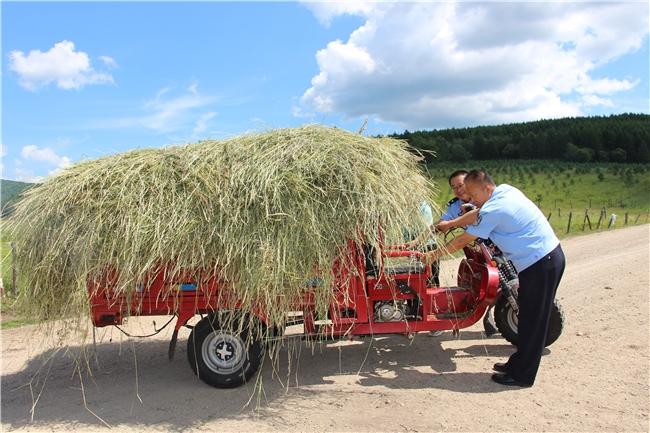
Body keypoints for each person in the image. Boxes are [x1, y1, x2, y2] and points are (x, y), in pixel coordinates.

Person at [423, 169, 565, 387]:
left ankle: (522, 376)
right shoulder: (504, 191)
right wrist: (450, 224)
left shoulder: (495, 208)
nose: (469, 198)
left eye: (472, 193)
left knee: (534, 321)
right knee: (527, 317)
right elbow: (477, 213)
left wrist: (433, 255)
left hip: (541, 262)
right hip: (538, 261)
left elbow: (465, 239)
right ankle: (517, 363)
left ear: (485, 188)